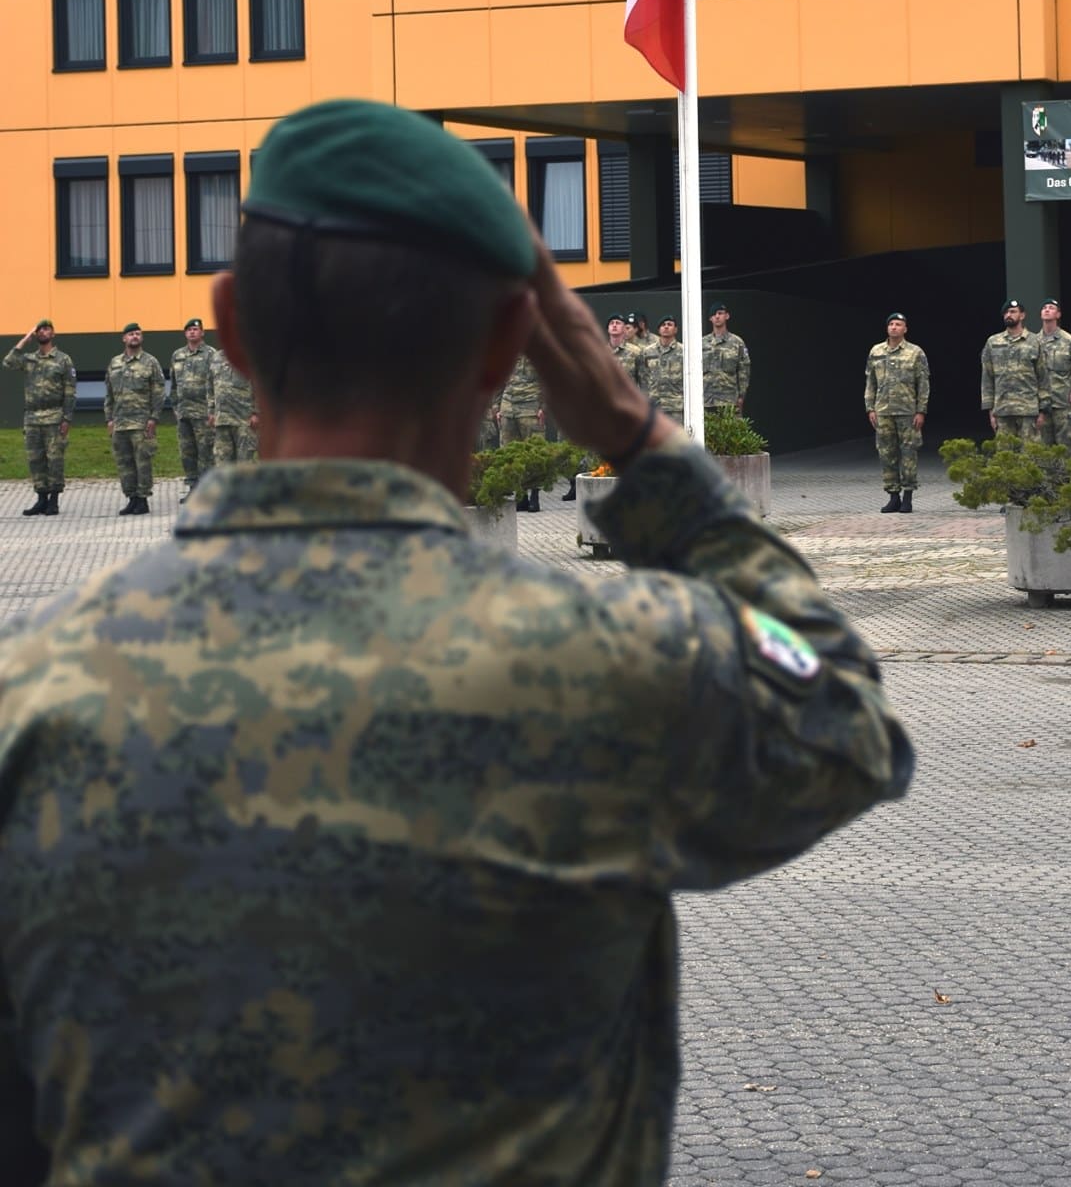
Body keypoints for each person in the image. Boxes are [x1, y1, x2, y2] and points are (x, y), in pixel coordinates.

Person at [0, 97, 911, 1183]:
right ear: (504, 349)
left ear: (232, 328)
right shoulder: (612, 664)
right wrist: (639, 439)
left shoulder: (33, 691)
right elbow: (845, 716)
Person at [3, 319, 77, 518]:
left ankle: (54, 500)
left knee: (55, 460)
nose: (43, 332)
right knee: (35, 460)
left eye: (46, 329)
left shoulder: (63, 360)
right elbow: (8, 362)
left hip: (54, 417)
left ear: (53, 334)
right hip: (33, 418)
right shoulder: (29, 359)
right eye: (39, 330)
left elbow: (70, 391)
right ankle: (41, 498)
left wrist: (66, 419)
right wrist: (25, 339)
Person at [864, 311, 929, 512]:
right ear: (887, 328)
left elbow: (923, 384)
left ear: (905, 329)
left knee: (909, 454)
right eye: (891, 324)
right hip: (883, 411)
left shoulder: (915, 352)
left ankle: (908, 497)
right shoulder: (876, 351)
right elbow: (870, 382)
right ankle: (893, 496)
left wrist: (921, 410)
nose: (894, 327)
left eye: (898, 324)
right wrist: (870, 407)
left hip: (907, 411)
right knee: (887, 454)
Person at [104, 321, 166, 517]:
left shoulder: (150, 362)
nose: (134, 337)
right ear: (124, 338)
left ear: (142, 337)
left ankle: (142, 499)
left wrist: (154, 418)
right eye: (131, 334)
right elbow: (109, 393)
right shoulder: (115, 363)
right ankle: (131, 498)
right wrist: (109, 419)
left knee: (143, 462)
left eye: (138, 334)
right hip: (120, 423)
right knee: (124, 463)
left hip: (141, 423)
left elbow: (159, 392)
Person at [980, 300, 1047, 437]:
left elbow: (1043, 378)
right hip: (1002, 410)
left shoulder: (1035, 342)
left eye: (1012, 312)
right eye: (1006, 312)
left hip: (1028, 410)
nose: (1008, 315)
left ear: (1022, 315)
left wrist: (1043, 411)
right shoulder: (993, 342)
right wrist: (990, 411)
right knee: (1005, 450)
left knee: (1030, 450)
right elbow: (987, 377)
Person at [169, 316, 215, 499]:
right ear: (185, 334)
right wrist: (175, 406)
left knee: (206, 453)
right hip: (184, 412)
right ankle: (193, 489)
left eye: (196, 329)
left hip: (204, 413)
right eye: (189, 330)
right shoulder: (178, 355)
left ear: (202, 333)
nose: (192, 332)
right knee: (187, 453)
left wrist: (213, 410)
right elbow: (174, 384)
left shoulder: (211, 354)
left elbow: (216, 383)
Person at [497, 352, 545, 511]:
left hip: (530, 406)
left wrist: (543, 407)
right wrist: (497, 407)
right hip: (508, 407)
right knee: (511, 453)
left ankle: (534, 496)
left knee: (534, 453)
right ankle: (521, 495)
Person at [1036, 299, 1071, 450]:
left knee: (1064, 448)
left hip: (1062, 402)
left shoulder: (1070, 341)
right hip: (1040, 404)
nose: (1047, 310)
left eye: (1051, 308)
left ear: (1058, 314)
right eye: (1044, 308)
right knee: (1042, 449)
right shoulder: (1033, 342)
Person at [209, 349, 258, 466]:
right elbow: (210, 385)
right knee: (222, 463)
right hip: (222, 420)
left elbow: (260, 386)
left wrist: (257, 412)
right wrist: (211, 411)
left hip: (244, 420)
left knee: (245, 463)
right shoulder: (216, 357)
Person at [701, 303, 750, 412]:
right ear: (710, 319)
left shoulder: (737, 342)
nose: (717, 316)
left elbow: (744, 371)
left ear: (727, 316)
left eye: (720, 313)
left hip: (729, 400)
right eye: (714, 314)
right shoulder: (702, 343)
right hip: (706, 401)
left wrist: (741, 396)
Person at [652, 313, 684, 422]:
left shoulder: (684, 351)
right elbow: (643, 378)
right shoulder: (647, 352)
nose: (666, 327)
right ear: (658, 330)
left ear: (676, 329)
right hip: (654, 407)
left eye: (669, 324)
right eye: (663, 325)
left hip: (676, 407)